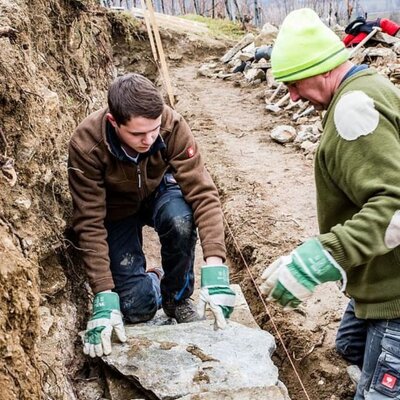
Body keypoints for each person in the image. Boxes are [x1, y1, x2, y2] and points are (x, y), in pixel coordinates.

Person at [259, 8, 400, 400]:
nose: (291, 95)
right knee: (350, 348)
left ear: (320, 69)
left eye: (293, 83)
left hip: (397, 294)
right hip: (378, 274)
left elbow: (394, 208)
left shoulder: (353, 111)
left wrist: (321, 257)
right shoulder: (366, 87)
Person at [68, 73, 235, 358]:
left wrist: (216, 269)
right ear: (114, 122)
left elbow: (203, 194)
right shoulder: (87, 145)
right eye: (137, 134)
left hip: (160, 192)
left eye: (154, 130)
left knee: (179, 219)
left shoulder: (172, 125)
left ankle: (177, 298)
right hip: (116, 210)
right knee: (135, 308)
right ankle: (154, 280)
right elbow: (89, 221)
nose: (148, 140)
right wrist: (104, 295)